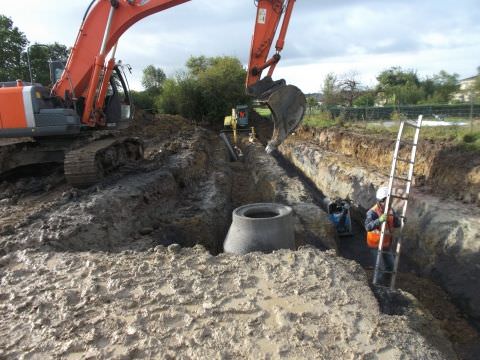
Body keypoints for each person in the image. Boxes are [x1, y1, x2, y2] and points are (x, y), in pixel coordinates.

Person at [364, 186, 401, 283]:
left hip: (386, 244)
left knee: (391, 266)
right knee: (379, 269)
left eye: (390, 200)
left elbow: (396, 223)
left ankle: (387, 283)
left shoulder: (391, 210)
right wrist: (379, 220)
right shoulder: (372, 212)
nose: (389, 203)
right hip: (375, 244)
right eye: (387, 201)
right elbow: (368, 226)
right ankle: (378, 287)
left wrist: (400, 221)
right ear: (380, 201)